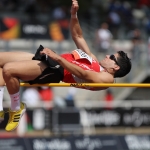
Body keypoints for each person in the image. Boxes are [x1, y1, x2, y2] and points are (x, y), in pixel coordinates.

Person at [1, 0, 131, 132]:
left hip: (55, 69)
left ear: (116, 68)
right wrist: (74, 15)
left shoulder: (107, 80)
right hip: (53, 60)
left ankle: (16, 109)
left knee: (8, 69)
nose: (108, 56)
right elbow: (78, 36)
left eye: (112, 58)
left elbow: (83, 74)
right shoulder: (95, 61)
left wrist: (57, 58)